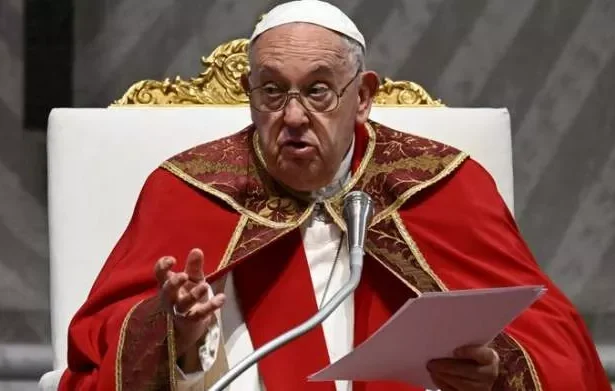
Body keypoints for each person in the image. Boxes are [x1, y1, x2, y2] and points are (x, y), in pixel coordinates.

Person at [55, 1, 610, 390]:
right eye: (271, 91)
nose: (293, 116)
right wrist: (173, 332)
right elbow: (93, 354)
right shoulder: (187, 189)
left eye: (318, 90)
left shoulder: (438, 183)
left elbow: (554, 346)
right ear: (249, 95)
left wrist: (494, 373)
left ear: (363, 96)